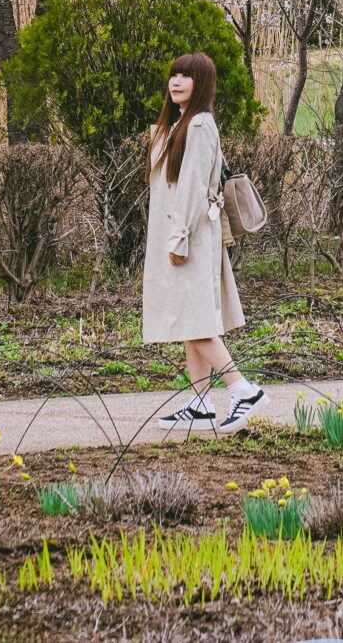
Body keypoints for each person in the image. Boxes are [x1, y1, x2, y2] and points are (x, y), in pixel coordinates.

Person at [141, 51, 264, 428]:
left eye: (186, 76)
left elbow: (194, 187)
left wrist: (179, 238)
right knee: (187, 319)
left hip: (189, 237)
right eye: (173, 75)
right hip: (178, 235)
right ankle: (199, 403)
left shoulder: (199, 126)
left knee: (195, 322)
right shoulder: (176, 125)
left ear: (202, 84)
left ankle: (243, 389)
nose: (176, 82)